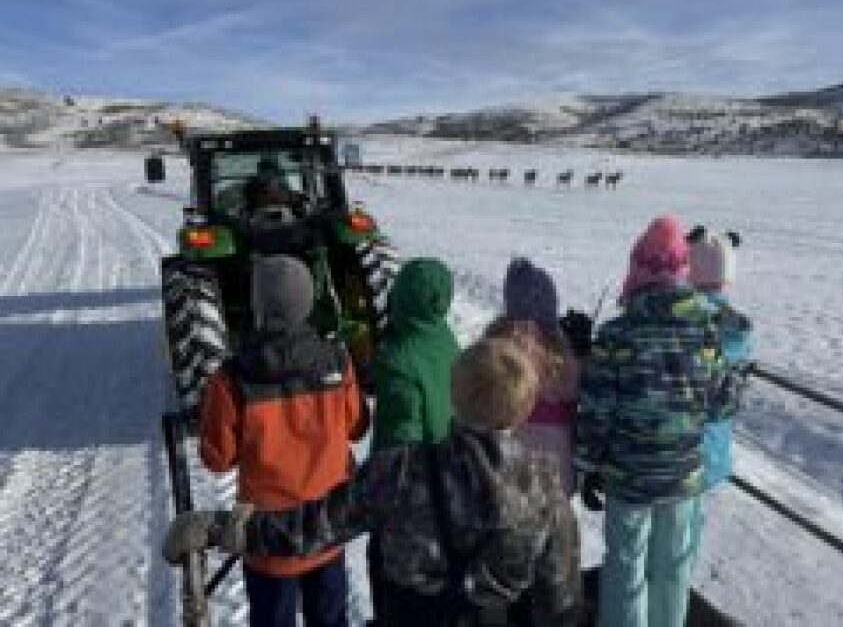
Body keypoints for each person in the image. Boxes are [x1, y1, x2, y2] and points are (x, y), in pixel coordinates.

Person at [165, 337, 583, 626]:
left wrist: (220, 528)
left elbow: (311, 529)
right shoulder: (546, 487)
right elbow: (559, 599)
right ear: (524, 409)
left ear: (454, 393)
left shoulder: (400, 471)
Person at [574, 215, 732, 627]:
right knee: (674, 569)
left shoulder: (616, 335)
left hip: (630, 477)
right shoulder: (708, 331)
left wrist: (587, 465)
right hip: (684, 477)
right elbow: (720, 406)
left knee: (626, 567)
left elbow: (597, 412)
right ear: (682, 271)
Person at [198, 255, 368, 627]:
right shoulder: (339, 361)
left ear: (259, 306)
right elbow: (355, 426)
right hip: (326, 528)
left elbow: (217, 458)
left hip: (268, 538)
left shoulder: (231, 379)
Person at [367, 256, 461, 621]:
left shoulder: (397, 360)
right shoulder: (446, 340)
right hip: (448, 492)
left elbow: (398, 448)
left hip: (409, 505)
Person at [484, 257, 580, 495]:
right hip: (556, 460)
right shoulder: (560, 350)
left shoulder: (497, 344)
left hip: (511, 456)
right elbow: (575, 391)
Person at [686, 225, 753, 557]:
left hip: (680, 447)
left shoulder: (688, 318)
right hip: (714, 447)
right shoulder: (739, 328)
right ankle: (678, 590)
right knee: (688, 530)